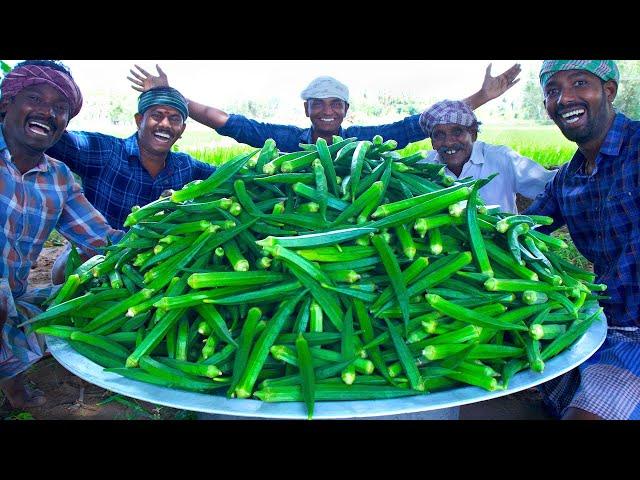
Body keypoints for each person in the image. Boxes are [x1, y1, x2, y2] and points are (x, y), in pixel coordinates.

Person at [0, 61, 123, 408]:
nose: (47, 112)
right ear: (6, 103)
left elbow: (104, 240)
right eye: (35, 98)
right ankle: (16, 390)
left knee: (82, 301)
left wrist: (165, 228)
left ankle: (12, 382)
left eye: (59, 108)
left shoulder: (59, 178)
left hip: (10, 303)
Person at [525, 60, 640, 420]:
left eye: (579, 83)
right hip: (601, 321)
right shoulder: (569, 177)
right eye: (552, 90)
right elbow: (525, 228)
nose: (564, 98)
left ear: (608, 91)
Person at [127, 63, 522, 153]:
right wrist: (174, 96)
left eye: (336, 105)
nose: (328, 112)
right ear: (307, 110)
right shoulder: (286, 140)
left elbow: (417, 126)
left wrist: (481, 98)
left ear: (346, 110)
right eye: (320, 105)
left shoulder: (362, 142)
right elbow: (230, 123)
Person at [46, 84, 217, 231]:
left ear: (182, 130)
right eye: (157, 115)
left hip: (153, 264)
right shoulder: (105, 151)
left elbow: (235, 174)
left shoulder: (186, 166)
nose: (165, 124)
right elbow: (51, 138)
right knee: (64, 263)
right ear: (139, 120)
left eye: (174, 119)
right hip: (98, 254)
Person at [418, 99, 557, 213]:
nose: (448, 142)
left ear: (473, 134)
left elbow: (552, 185)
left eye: (457, 132)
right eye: (439, 135)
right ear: (432, 142)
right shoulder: (420, 168)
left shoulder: (502, 159)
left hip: (500, 243)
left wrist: (528, 223)